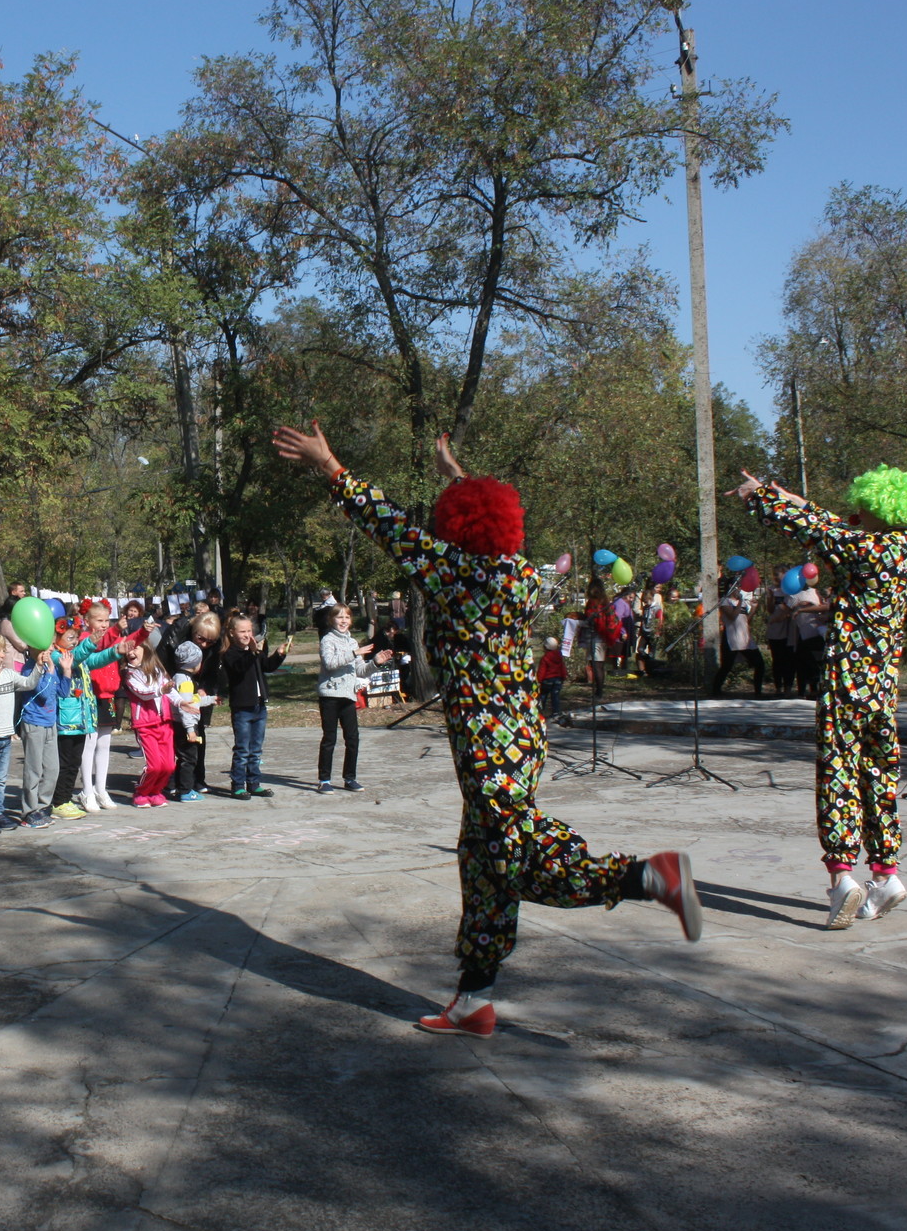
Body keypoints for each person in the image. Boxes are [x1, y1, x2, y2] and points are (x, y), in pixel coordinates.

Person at [273, 421, 702, 1038]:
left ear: (456, 528)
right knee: (483, 861)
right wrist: (460, 476)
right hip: (523, 736)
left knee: (513, 857)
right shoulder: (522, 576)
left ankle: (648, 877)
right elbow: (479, 521)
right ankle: (474, 997)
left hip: (485, 741)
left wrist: (331, 464)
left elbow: (388, 524)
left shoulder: (452, 575)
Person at [734, 465, 907, 929]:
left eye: (863, 506)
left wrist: (757, 497)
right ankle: (886, 874)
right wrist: (789, 495)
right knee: (879, 773)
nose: (857, 513)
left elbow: (821, 529)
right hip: (883, 684)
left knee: (838, 771)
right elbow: (831, 523)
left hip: (847, 681)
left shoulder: (865, 547)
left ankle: (841, 875)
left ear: (876, 508)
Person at [0, 632, 45, 833]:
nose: (2, 655)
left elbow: (29, 683)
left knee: (0, 778)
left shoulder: (9, 674)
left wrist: (38, 666)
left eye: (3, 650)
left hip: (5, 735)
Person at [315, 603, 388, 793]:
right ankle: (324, 780)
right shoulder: (327, 640)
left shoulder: (353, 642)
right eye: (339, 617)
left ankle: (350, 778)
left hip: (348, 696)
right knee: (330, 738)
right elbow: (330, 663)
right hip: (330, 695)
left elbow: (361, 671)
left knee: (353, 739)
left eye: (347, 617)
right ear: (332, 620)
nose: (343, 621)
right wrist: (353, 653)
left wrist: (376, 663)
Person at [219, 612, 289, 800]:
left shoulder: (254, 651)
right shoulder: (230, 653)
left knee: (256, 749)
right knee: (243, 749)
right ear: (232, 633)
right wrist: (251, 651)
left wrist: (279, 654)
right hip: (242, 708)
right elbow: (239, 669)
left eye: (249, 631)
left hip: (259, 707)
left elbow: (267, 666)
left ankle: (254, 783)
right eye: (242, 631)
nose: (247, 635)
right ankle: (238, 785)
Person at [15, 627, 68, 828]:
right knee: (33, 770)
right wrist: (52, 672)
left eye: (51, 646)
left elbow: (62, 692)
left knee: (53, 768)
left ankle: (43, 806)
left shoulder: (50, 666)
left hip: (50, 723)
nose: (49, 650)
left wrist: (67, 672)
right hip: (34, 723)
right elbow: (45, 693)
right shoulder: (30, 668)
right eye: (45, 647)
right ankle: (29, 811)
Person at [77, 600, 126, 810]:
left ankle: (101, 788)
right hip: (90, 696)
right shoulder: (84, 639)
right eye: (100, 620)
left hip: (107, 695)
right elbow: (101, 645)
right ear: (87, 621)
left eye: (107, 620)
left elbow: (114, 645)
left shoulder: (109, 636)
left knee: (104, 744)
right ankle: (87, 790)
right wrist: (115, 629)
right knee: (90, 742)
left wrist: (141, 631)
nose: (104, 624)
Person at [123, 639, 176, 806]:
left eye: (135, 649)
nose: (131, 653)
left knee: (168, 765)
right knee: (154, 766)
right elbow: (143, 693)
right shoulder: (129, 674)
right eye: (127, 651)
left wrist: (183, 703)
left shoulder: (158, 671)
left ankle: (156, 792)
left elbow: (171, 692)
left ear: (145, 649)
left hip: (164, 722)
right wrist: (161, 690)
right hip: (145, 725)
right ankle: (142, 792)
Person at [166, 640, 213, 802]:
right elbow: (186, 708)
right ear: (195, 663)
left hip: (177, 723)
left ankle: (178, 786)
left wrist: (210, 700)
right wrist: (190, 729)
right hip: (186, 725)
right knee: (189, 758)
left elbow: (192, 700)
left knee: (182, 757)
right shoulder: (186, 682)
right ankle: (185, 790)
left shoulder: (178, 677)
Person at [714, 574, 765, 698]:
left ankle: (758, 692)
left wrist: (753, 609)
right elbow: (732, 616)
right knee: (727, 665)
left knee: (760, 664)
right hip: (732, 638)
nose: (739, 589)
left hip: (745, 638)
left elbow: (745, 620)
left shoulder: (740, 603)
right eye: (737, 586)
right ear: (731, 586)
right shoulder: (725, 601)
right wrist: (741, 602)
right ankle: (715, 690)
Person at [536, 636, 567, 722]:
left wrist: (539, 680)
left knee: (543, 696)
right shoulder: (559, 656)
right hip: (558, 680)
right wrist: (564, 676)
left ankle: (540, 712)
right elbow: (562, 668)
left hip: (547, 681)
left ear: (545, 647)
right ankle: (556, 713)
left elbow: (542, 670)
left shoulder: (545, 658)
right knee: (555, 696)